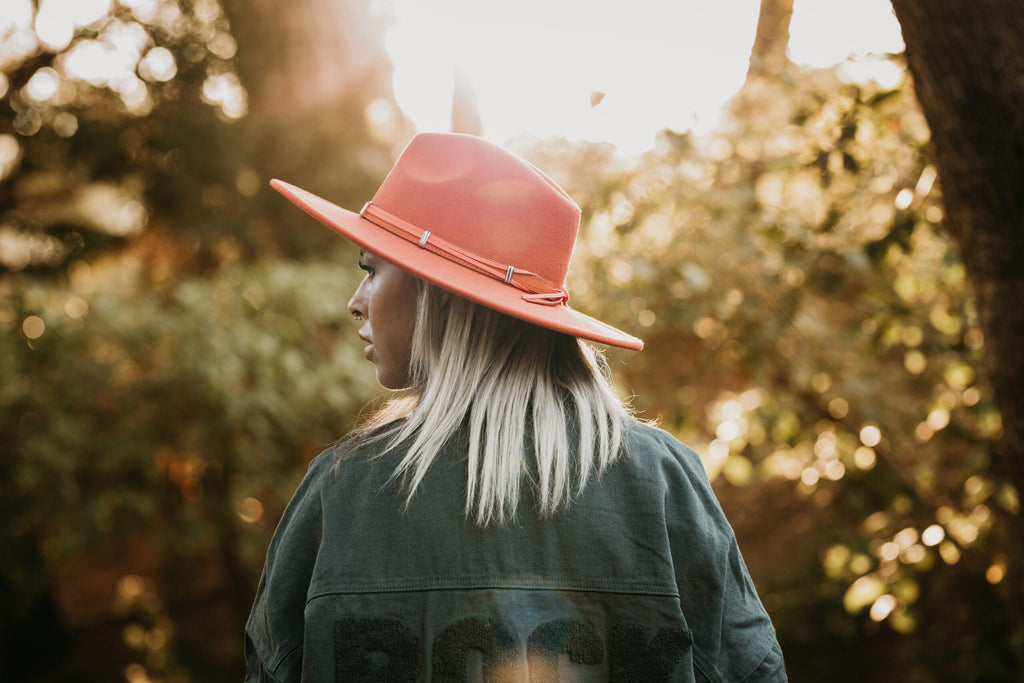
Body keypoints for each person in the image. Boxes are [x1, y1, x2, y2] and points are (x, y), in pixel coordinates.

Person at [245, 133, 786, 682]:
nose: (354, 302)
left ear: (441, 295)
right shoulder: (663, 480)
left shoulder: (342, 493)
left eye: (371, 270)